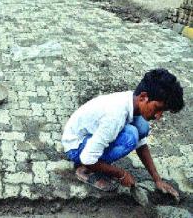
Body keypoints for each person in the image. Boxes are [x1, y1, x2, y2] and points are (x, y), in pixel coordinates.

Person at [62, 68, 183, 199]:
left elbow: (141, 144)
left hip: (89, 136)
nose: (159, 116)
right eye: (158, 109)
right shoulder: (115, 115)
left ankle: (95, 163)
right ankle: (85, 169)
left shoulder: (133, 101)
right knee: (130, 136)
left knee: (142, 127)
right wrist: (121, 174)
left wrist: (157, 180)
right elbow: (87, 157)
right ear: (143, 97)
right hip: (75, 147)